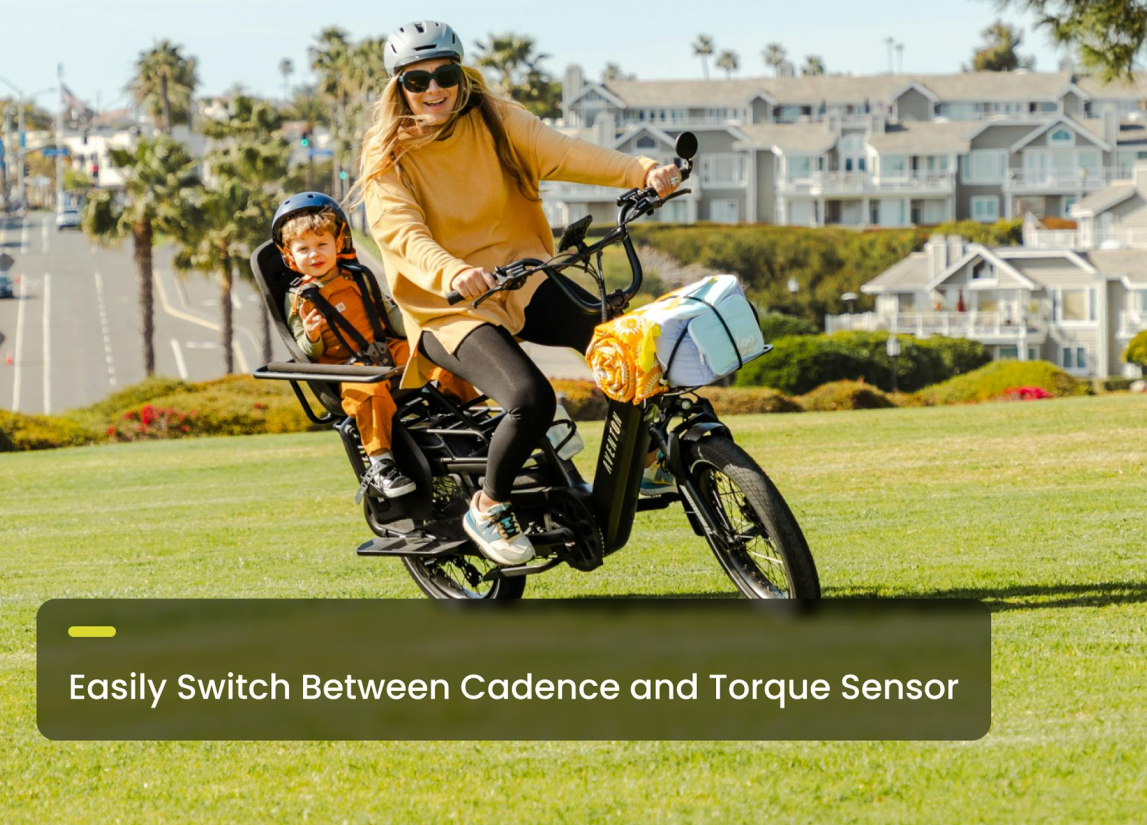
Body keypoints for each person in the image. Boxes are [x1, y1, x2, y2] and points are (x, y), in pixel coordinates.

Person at [358, 21, 681, 566]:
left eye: (445, 75)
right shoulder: (387, 154)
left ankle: (647, 459)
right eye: (416, 80)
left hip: (521, 278)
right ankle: (488, 506)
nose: (433, 89)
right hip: (448, 308)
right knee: (531, 399)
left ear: (461, 75)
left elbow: (566, 153)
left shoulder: (497, 120)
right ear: (399, 88)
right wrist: (452, 271)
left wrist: (642, 171)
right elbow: (401, 233)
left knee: (619, 344)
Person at [274, 193, 476, 502]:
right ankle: (382, 465)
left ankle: (469, 416)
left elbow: (392, 317)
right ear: (290, 256)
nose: (314, 255)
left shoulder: (360, 277)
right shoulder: (298, 297)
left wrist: (421, 321)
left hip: (386, 349)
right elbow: (305, 352)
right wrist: (312, 335)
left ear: (338, 243)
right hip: (348, 370)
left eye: (321, 245)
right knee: (368, 390)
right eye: (304, 249)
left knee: (439, 352)